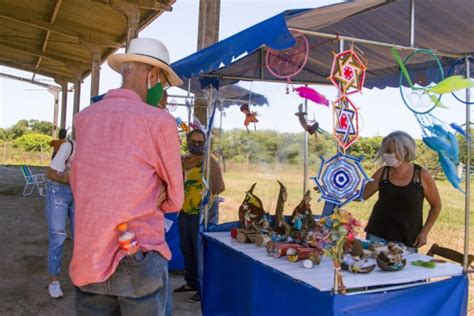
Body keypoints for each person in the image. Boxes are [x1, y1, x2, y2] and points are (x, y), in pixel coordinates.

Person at [70, 37, 184, 315]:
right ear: (153, 75)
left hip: (89, 254)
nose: (162, 90)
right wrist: (153, 194)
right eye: (164, 84)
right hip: (139, 254)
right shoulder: (159, 122)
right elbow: (176, 199)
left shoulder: (83, 118)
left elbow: (80, 184)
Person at [363, 131, 442, 252]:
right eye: (385, 151)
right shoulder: (382, 172)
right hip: (377, 235)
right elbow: (361, 196)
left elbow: (436, 206)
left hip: (407, 239)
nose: (386, 155)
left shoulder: (421, 175)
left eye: (390, 151)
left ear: (404, 151)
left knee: (404, 270)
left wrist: (424, 232)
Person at [175, 129, 225, 302]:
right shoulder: (182, 160)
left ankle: (204, 288)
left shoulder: (209, 161)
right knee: (186, 248)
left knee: (200, 251)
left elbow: (219, 187)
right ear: (187, 141)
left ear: (205, 143)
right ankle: (191, 282)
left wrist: (204, 195)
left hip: (201, 213)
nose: (196, 144)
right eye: (193, 141)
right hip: (184, 211)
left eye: (200, 141)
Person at [45, 140, 75, 298]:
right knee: (58, 237)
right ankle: (54, 281)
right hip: (60, 191)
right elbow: (50, 172)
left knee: (81, 238)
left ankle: (81, 278)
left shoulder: (96, 148)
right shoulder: (69, 146)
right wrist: (68, 179)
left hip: (80, 193)